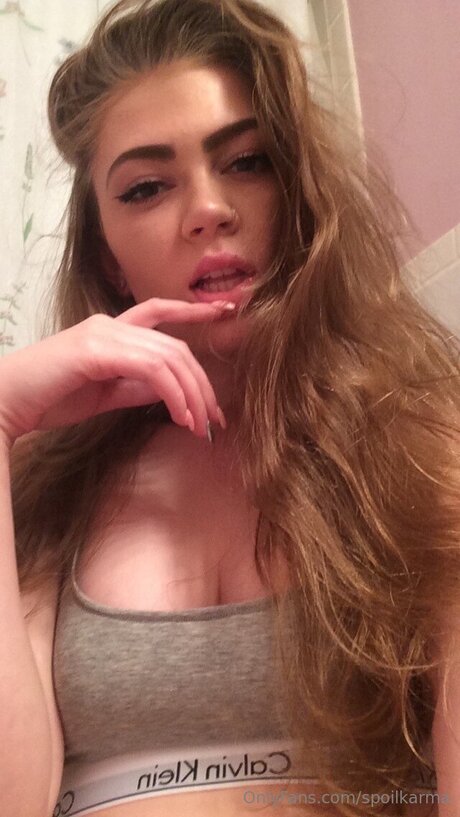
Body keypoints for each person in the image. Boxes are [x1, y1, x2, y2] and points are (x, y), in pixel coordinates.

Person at [0, 0, 459, 815]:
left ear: (299, 192)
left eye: (246, 161)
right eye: (147, 187)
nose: (209, 208)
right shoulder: (45, 480)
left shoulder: (421, 437)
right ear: (107, 256)